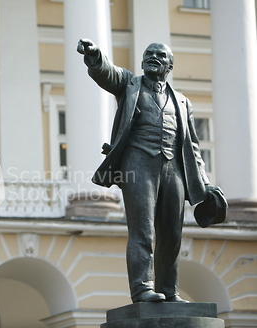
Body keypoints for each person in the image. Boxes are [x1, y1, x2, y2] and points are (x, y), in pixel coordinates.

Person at [77, 39, 216, 303]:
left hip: (173, 168)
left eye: (160, 55)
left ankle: (169, 290)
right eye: (148, 54)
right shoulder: (129, 85)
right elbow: (107, 72)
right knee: (143, 230)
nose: (153, 57)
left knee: (173, 233)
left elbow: (193, 147)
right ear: (142, 62)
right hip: (138, 163)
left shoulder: (183, 103)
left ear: (170, 65)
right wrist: (95, 56)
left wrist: (205, 183)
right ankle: (142, 288)